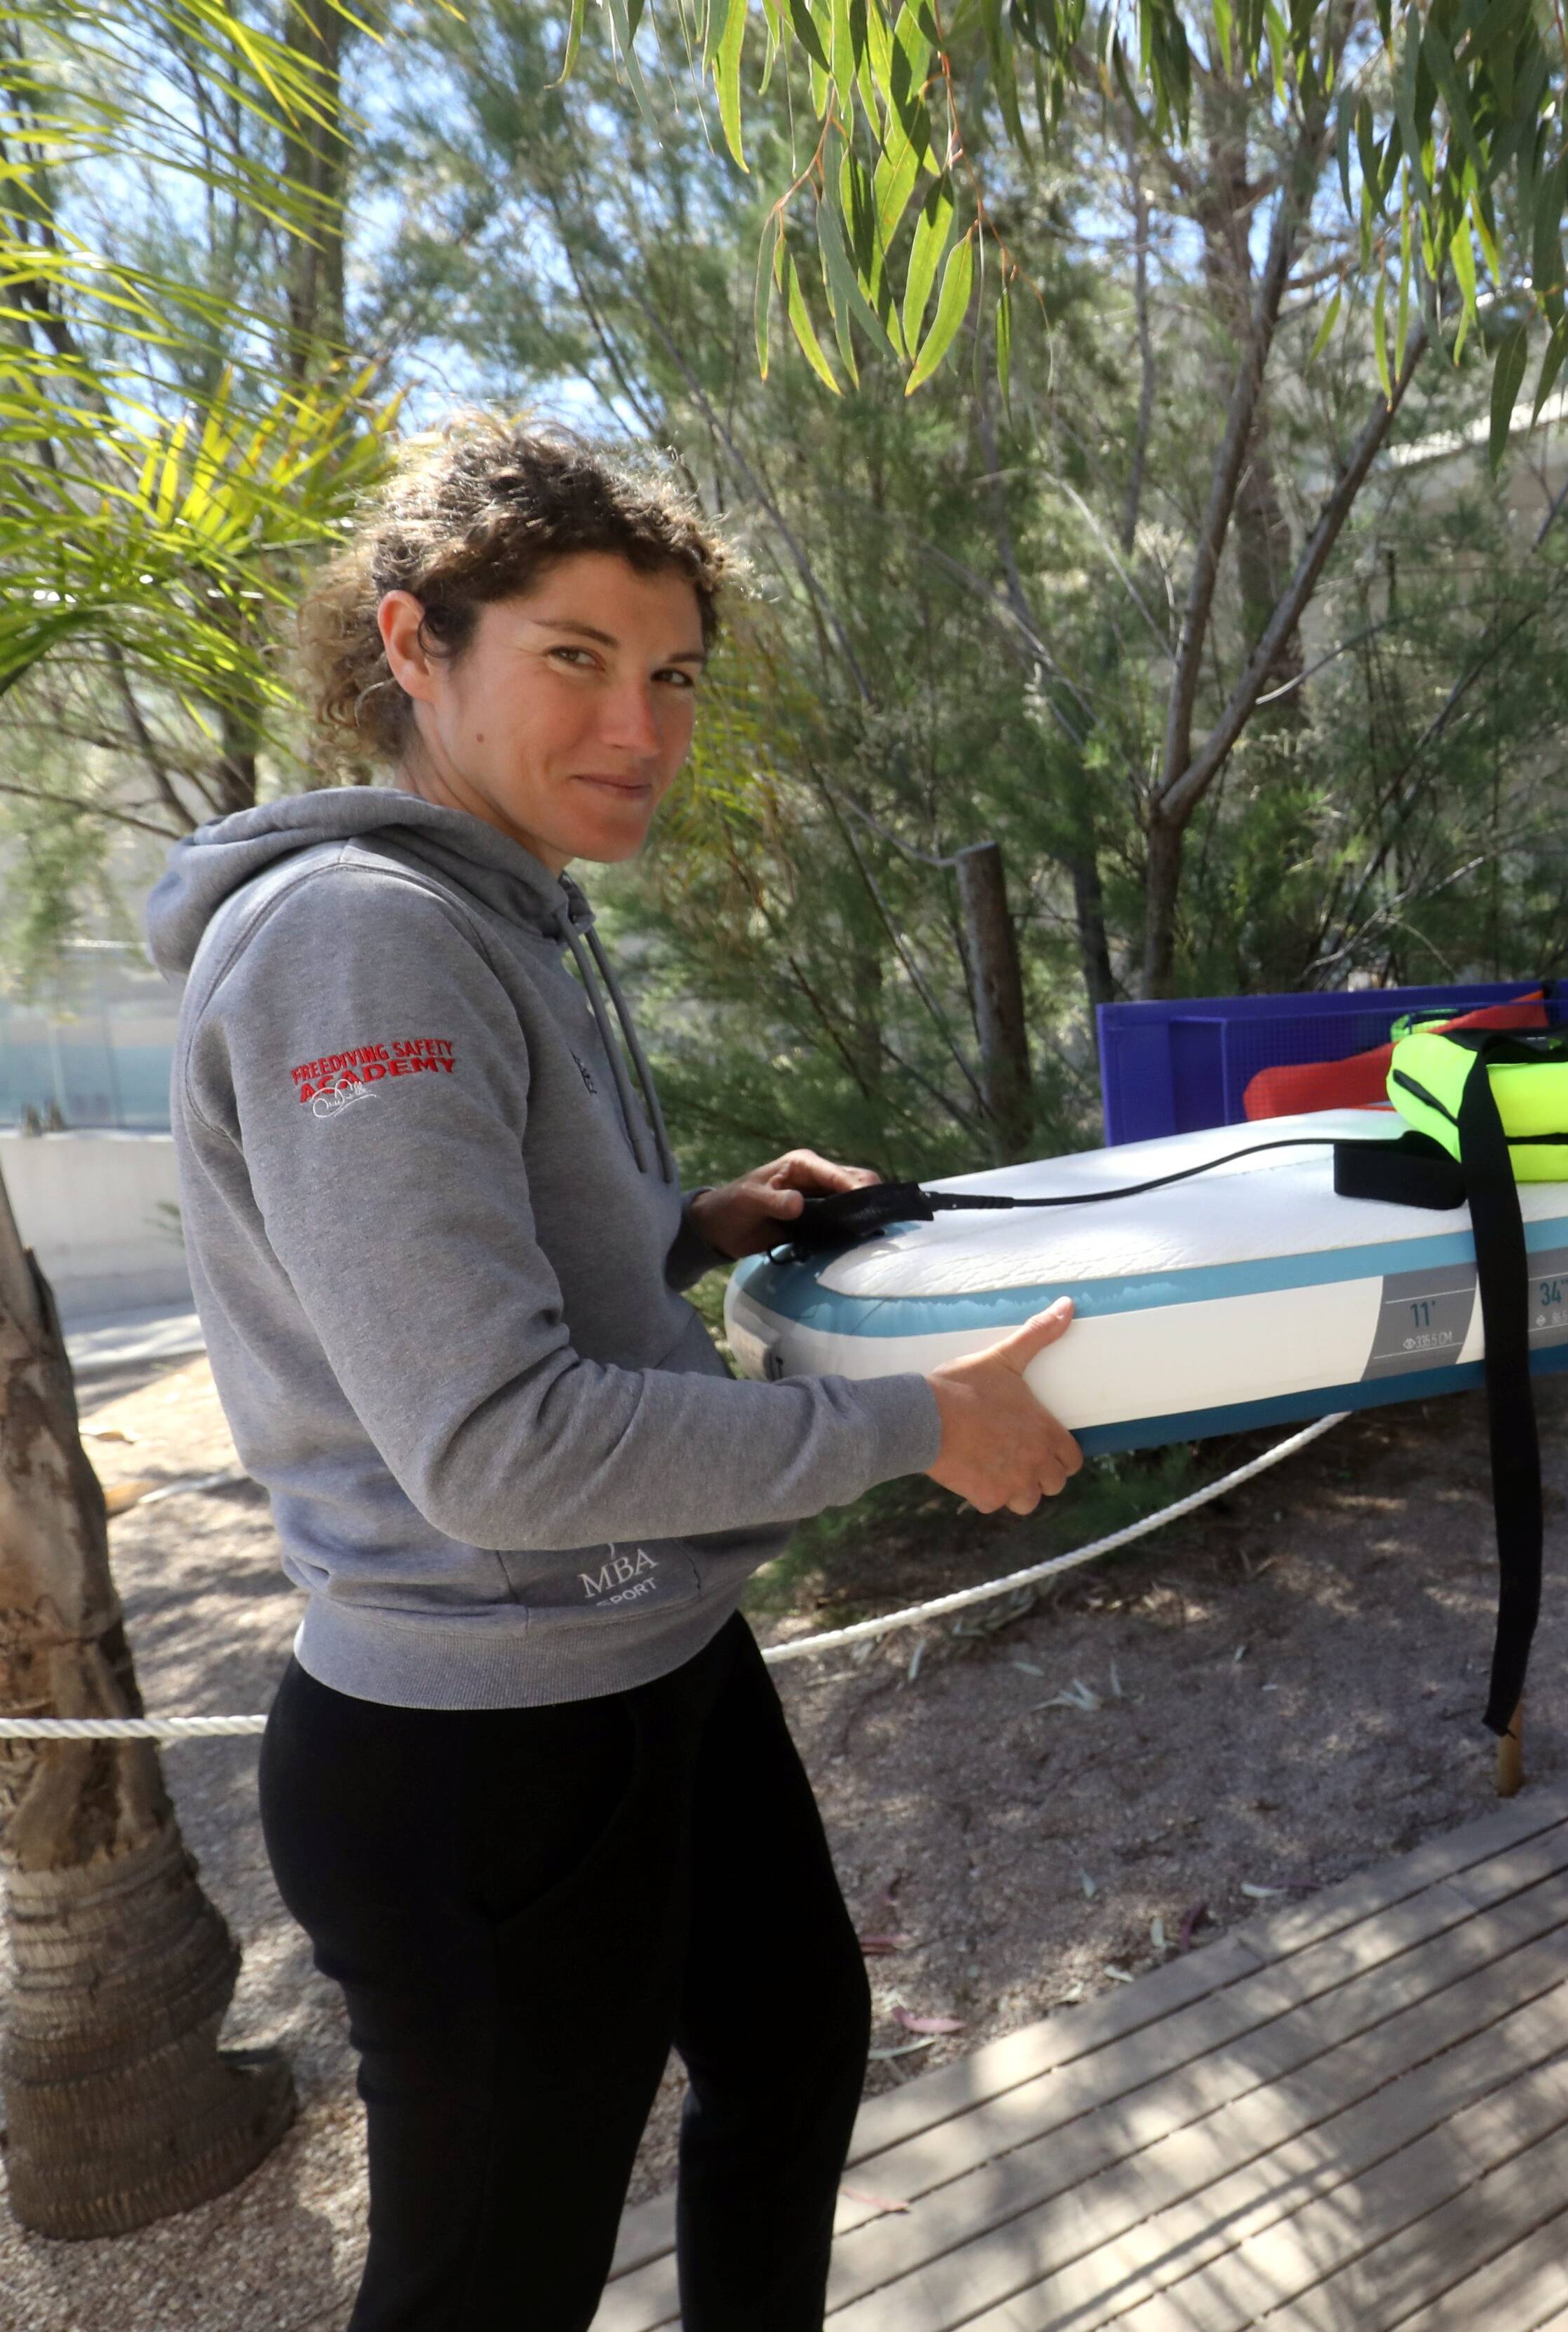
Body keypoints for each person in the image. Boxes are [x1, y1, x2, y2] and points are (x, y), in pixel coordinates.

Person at [143, 416, 1080, 2331]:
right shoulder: (363, 942)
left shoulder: (486, 915)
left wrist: (690, 1227)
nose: (639, 726)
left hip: (648, 1660)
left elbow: (479, 1295)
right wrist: (919, 1426)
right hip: (485, 1742)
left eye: (674, 676)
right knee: (493, 2288)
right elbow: (494, 1445)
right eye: (574, 657)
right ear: (415, 645)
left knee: (793, 2057)